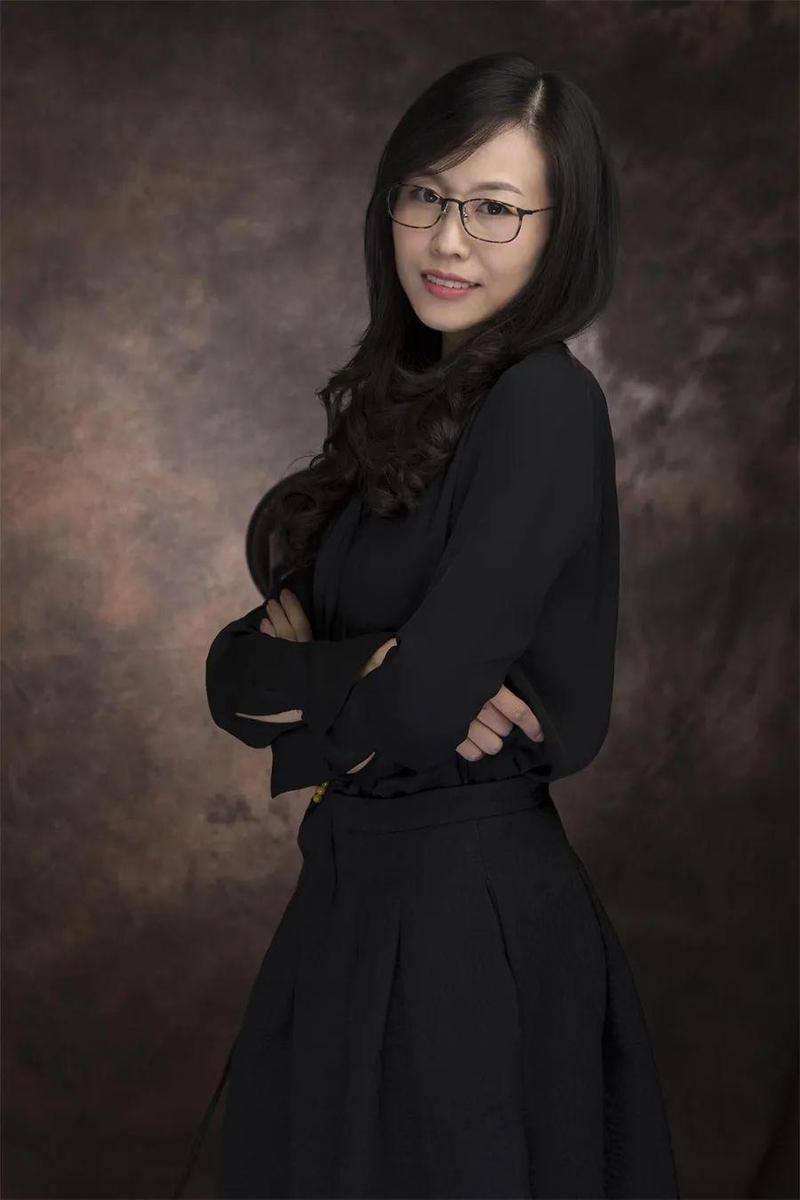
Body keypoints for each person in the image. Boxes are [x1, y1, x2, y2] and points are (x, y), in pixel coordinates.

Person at [174, 51, 680, 1200]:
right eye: (425, 196)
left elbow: (406, 707)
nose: (447, 241)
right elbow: (231, 678)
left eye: (493, 209)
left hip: (465, 921)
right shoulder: (395, 405)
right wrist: (368, 667)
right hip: (346, 901)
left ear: (560, 229)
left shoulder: (545, 403)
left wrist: (333, 678)